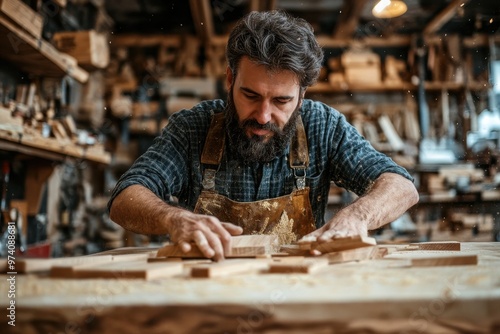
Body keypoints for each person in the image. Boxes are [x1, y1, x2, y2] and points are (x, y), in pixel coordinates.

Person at [108, 10, 419, 261]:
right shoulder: (193, 128)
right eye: (250, 95)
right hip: (206, 295)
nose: (263, 115)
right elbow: (125, 198)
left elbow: (402, 186)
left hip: (299, 294)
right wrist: (173, 219)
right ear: (230, 79)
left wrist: (358, 216)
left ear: (302, 94)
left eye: (281, 101)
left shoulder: (322, 127)